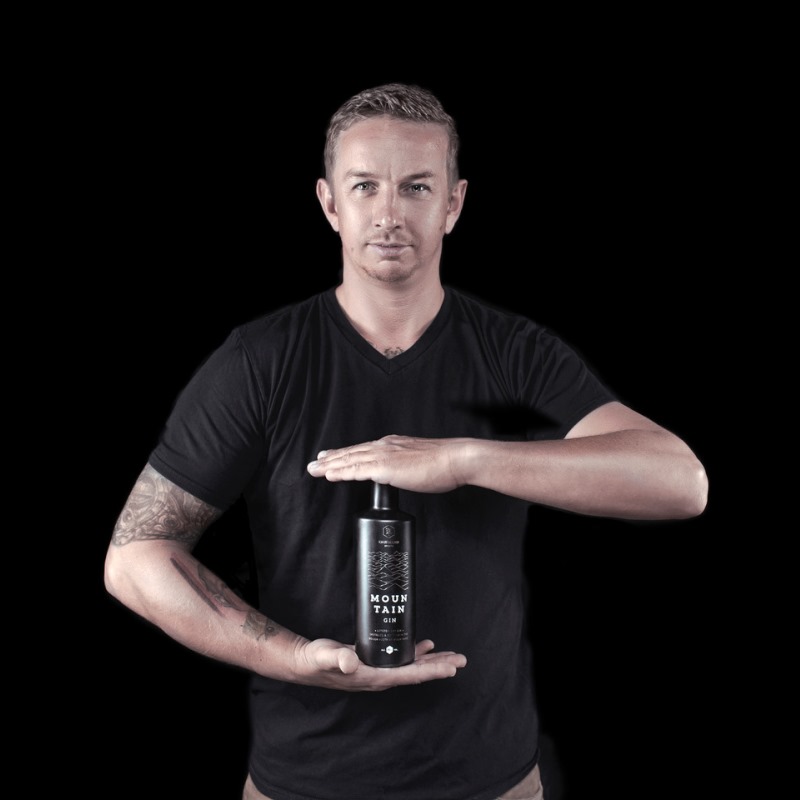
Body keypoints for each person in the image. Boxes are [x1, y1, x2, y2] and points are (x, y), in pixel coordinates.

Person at [104, 82, 708, 800]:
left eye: (417, 187)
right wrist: (294, 657)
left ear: (453, 203)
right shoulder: (258, 362)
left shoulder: (516, 354)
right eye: (365, 186)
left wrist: (463, 458)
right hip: (304, 781)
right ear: (330, 203)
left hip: (492, 780)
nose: (389, 213)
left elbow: (680, 482)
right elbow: (134, 558)